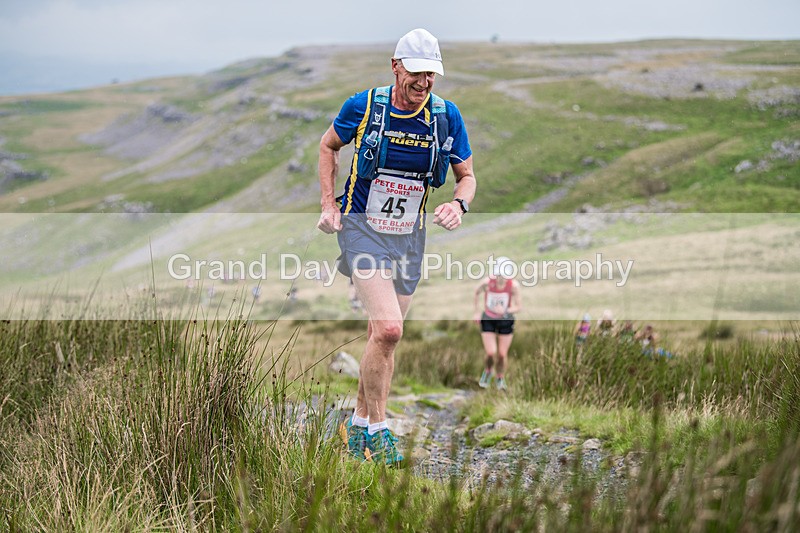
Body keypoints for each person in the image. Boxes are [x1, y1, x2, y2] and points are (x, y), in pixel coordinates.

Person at [317, 28, 476, 466]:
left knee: (378, 338)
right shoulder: (364, 106)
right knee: (389, 330)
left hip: (410, 235)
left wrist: (460, 205)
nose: (424, 83)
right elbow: (328, 146)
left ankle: (357, 425)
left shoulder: (445, 117)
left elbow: (467, 175)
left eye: (432, 75)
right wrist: (330, 205)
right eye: (417, 73)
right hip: (361, 229)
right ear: (396, 66)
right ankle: (380, 430)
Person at [474, 257, 522, 391]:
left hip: (505, 320)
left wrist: (505, 310)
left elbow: (518, 307)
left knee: (501, 354)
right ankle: (488, 371)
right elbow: (476, 292)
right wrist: (476, 312)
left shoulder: (513, 286)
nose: (503, 278)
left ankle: (500, 377)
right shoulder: (487, 282)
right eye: (501, 275)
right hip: (488, 319)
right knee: (491, 352)